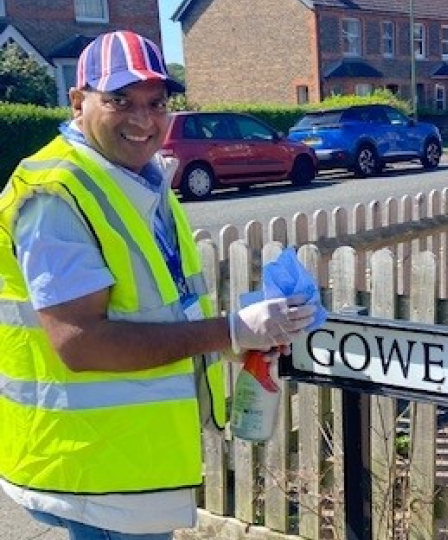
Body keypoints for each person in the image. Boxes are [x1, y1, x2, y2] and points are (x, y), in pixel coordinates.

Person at [0, 30, 318, 539]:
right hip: (96, 471)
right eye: (119, 100)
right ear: (78, 102)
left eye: (156, 102)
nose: (143, 120)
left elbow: (155, 305)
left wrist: (236, 340)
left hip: (123, 463)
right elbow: (80, 343)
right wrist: (229, 331)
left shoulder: (135, 176)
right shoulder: (56, 195)